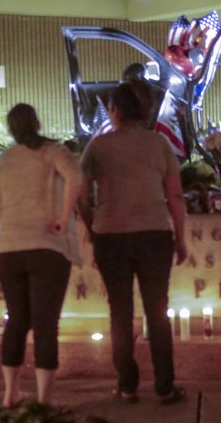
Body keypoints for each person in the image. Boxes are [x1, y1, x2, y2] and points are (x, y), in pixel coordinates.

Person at [78, 80, 188, 404]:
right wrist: (181, 237)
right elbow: (176, 196)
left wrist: (91, 226)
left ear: (114, 111)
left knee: (120, 312)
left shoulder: (97, 147)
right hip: (154, 234)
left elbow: (81, 195)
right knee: (158, 311)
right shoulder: (159, 145)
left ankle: (127, 385)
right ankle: (165, 386)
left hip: (110, 236)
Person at [0, 103, 81, 407]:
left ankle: (9, 393)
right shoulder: (53, 151)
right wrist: (63, 215)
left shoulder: (3, 161)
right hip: (48, 247)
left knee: (16, 320)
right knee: (45, 322)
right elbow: (75, 178)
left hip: (9, 247)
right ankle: (44, 399)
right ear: (37, 122)